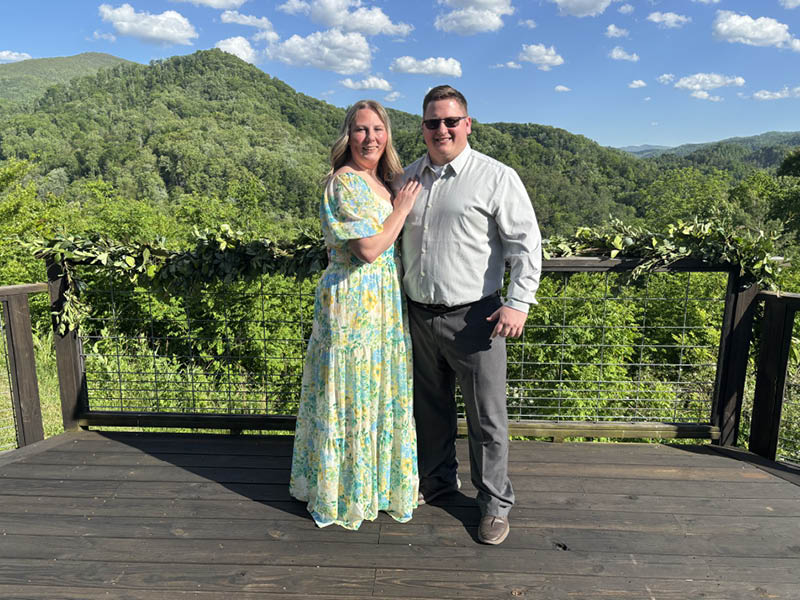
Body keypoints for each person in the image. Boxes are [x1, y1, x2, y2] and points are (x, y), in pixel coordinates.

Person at [401, 85, 542, 545]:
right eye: (431, 122)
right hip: (418, 315)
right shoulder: (408, 177)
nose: (441, 129)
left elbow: (526, 245)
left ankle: (495, 505)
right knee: (431, 410)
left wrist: (518, 302)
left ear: (467, 124)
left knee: (487, 420)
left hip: (477, 318)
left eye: (449, 121)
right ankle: (438, 483)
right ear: (422, 127)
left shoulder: (495, 176)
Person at [289, 100, 422, 530]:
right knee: (350, 395)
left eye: (378, 129)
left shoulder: (382, 180)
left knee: (376, 392)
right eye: (362, 130)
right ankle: (345, 492)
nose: (371, 138)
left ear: (388, 135)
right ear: (349, 136)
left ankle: (376, 486)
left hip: (382, 305)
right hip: (351, 302)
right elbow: (366, 249)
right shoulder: (344, 183)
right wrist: (401, 209)